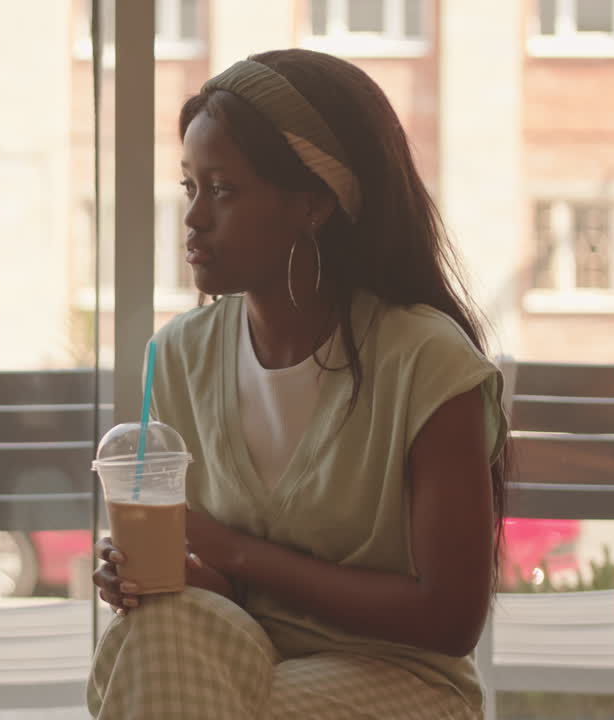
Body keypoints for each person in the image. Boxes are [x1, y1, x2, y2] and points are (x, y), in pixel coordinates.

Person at [89, 49, 509, 719]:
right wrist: (167, 571)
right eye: (189, 187)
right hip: (234, 655)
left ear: (314, 203)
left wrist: (233, 552)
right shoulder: (177, 356)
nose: (194, 219)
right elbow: (222, 589)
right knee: (160, 632)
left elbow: (450, 619)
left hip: (397, 676)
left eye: (223, 190)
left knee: (219, 697)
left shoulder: (424, 360)